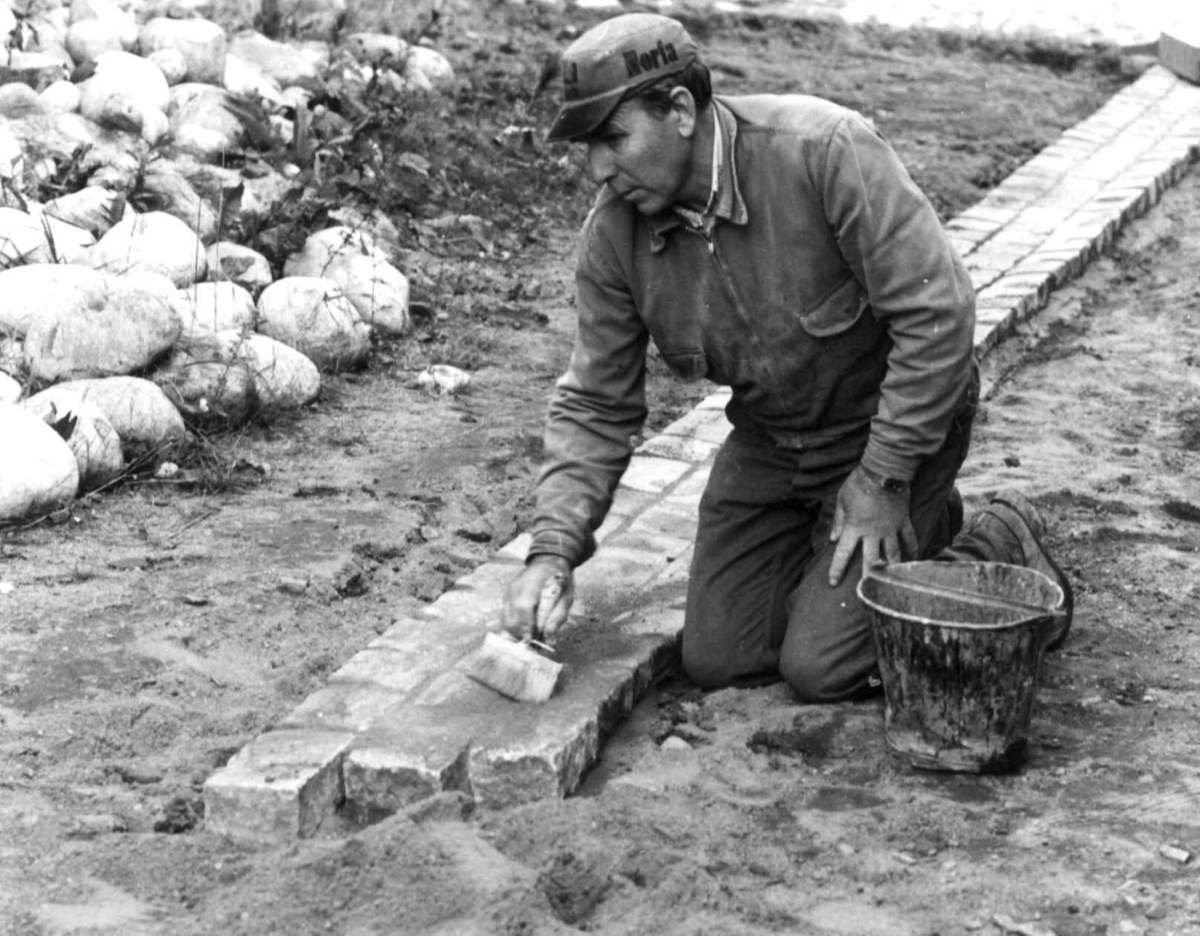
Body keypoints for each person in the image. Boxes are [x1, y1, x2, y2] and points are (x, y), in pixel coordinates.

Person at [501, 12, 1073, 701]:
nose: (597, 168)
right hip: (774, 443)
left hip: (890, 431)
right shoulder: (614, 236)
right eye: (588, 146)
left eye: (613, 139)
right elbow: (597, 401)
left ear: (680, 110)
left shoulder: (823, 150)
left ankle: (996, 539)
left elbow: (938, 316)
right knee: (721, 658)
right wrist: (552, 550)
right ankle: (897, 543)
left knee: (820, 667)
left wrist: (886, 479)